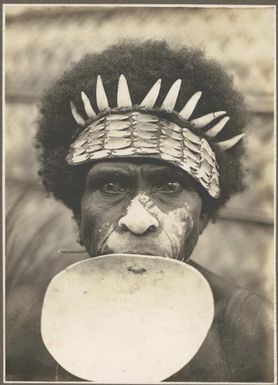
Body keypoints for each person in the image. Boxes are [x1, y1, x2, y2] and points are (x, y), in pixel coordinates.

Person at [6, 40, 273, 382]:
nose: (138, 220)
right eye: (111, 186)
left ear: (203, 215)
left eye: (170, 186)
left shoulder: (246, 329)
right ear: (79, 209)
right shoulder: (25, 318)